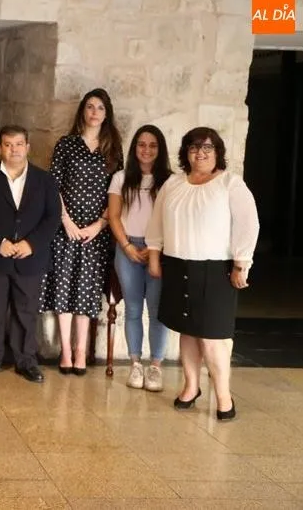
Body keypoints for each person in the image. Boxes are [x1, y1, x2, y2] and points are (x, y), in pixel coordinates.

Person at [146, 127, 259, 421]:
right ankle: (191, 386)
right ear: (186, 152)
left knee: (213, 338)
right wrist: (154, 258)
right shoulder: (173, 183)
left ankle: (223, 396)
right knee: (188, 331)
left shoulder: (230, 183)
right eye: (194, 148)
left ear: (218, 151)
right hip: (177, 265)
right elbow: (156, 225)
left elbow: (248, 225)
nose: (201, 153)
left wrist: (240, 264)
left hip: (216, 269)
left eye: (207, 147)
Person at [39, 88, 123, 376]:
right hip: (66, 229)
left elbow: (118, 192)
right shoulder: (66, 144)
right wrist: (67, 222)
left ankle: (80, 351)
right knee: (63, 287)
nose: (95, 112)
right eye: (90, 107)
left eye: (100, 107)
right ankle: (65, 349)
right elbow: (53, 185)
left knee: (86, 292)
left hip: (95, 231)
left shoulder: (113, 148)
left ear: (107, 113)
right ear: (83, 112)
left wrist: (100, 224)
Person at [0, 125, 61, 383]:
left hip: (30, 258)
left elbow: (52, 216)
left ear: (28, 147)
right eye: (8, 145)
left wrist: (31, 244)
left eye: (19, 144)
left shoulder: (44, 180)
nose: (14, 149)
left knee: (26, 313)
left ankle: (26, 361)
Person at [107, 125, 172, 391]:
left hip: (159, 250)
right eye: (141, 144)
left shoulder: (170, 180)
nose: (146, 150)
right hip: (127, 248)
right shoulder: (121, 178)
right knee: (133, 309)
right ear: (135, 148)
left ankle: (155, 367)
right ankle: (135, 364)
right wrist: (127, 246)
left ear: (160, 149)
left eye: (153, 145)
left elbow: (172, 220)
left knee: (157, 312)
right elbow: (113, 215)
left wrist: (156, 247)